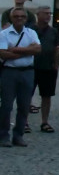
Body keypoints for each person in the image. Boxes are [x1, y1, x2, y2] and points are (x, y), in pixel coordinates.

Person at [0, 8, 42, 147]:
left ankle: (18, 135)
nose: (19, 18)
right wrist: (27, 51)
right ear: (11, 18)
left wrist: (15, 50)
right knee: (6, 106)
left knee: (24, 106)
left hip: (27, 72)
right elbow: (3, 54)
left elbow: (37, 50)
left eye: (22, 16)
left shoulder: (31, 33)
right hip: (9, 72)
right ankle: (3, 135)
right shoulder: (4, 34)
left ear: (26, 18)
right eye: (16, 16)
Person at [30, 6, 59, 132]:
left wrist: (56, 66)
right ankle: (24, 122)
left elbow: (57, 49)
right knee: (27, 95)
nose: (48, 16)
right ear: (38, 14)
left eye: (50, 13)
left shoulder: (53, 31)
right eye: (46, 13)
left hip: (48, 68)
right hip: (31, 67)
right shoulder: (30, 30)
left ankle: (44, 121)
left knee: (46, 96)